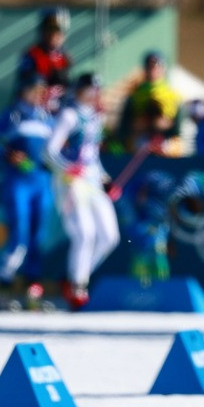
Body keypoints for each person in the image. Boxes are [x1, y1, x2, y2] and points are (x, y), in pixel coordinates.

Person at [44, 73, 120, 309]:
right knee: (85, 233)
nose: (95, 93)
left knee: (109, 236)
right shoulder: (69, 115)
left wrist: (106, 179)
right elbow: (48, 152)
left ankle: (76, 279)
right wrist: (67, 168)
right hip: (70, 183)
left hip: (92, 182)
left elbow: (92, 157)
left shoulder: (95, 117)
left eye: (97, 88)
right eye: (91, 88)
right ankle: (77, 286)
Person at [0, 73, 54, 309]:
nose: (39, 94)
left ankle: (33, 292)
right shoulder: (12, 114)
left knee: (39, 238)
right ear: (23, 90)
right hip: (18, 183)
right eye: (34, 89)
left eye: (41, 90)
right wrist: (9, 154)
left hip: (42, 183)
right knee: (20, 235)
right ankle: (4, 285)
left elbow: (60, 148)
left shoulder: (48, 117)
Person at [17, 7, 73, 114]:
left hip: (59, 109)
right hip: (34, 109)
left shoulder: (65, 56)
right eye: (50, 31)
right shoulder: (32, 55)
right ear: (43, 32)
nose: (55, 36)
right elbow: (25, 88)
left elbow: (68, 87)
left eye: (59, 32)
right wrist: (46, 93)